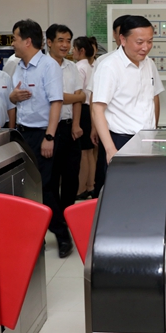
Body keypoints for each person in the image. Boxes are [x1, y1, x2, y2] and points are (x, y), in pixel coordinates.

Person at [9, 19, 71, 258]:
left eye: (15, 38)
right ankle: (38, 236)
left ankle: (62, 235)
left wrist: (49, 136)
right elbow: (14, 99)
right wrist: (13, 97)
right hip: (23, 134)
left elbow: (56, 102)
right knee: (28, 187)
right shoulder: (17, 66)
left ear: (27, 41)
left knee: (44, 187)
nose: (12, 43)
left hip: (43, 134)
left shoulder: (48, 66)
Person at [90, 15, 164, 169]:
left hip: (146, 139)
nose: (146, 47)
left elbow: (151, 99)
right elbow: (97, 109)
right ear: (123, 40)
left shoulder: (149, 63)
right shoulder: (109, 67)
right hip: (120, 141)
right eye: (140, 42)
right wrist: (110, 149)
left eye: (150, 41)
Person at [88, 14, 131, 198]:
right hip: (113, 132)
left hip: (139, 135)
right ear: (116, 35)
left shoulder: (147, 63)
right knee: (108, 180)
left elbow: (153, 99)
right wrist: (94, 127)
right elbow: (95, 98)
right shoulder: (105, 62)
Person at [46, 24, 85, 214]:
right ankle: (55, 218)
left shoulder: (72, 67)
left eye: (68, 41)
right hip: (50, 129)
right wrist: (76, 97)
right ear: (49, 42)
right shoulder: (44, 66)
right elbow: (55, 97)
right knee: (52, 176)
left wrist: (76, 124)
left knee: (71, 174)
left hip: (70, 127)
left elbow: (80, 97)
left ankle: (68, 215)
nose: (65, 45)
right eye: (60, 40)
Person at [73, 36, 96, 200]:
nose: (71, 51)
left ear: (81, 50)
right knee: (89, 152)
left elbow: (78, 94)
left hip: (81, 110)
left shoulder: (79, 68)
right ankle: (90, 186)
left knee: (83, 153)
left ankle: (80, 189)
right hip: (89, 110)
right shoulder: (90, 66)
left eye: (74, 48)